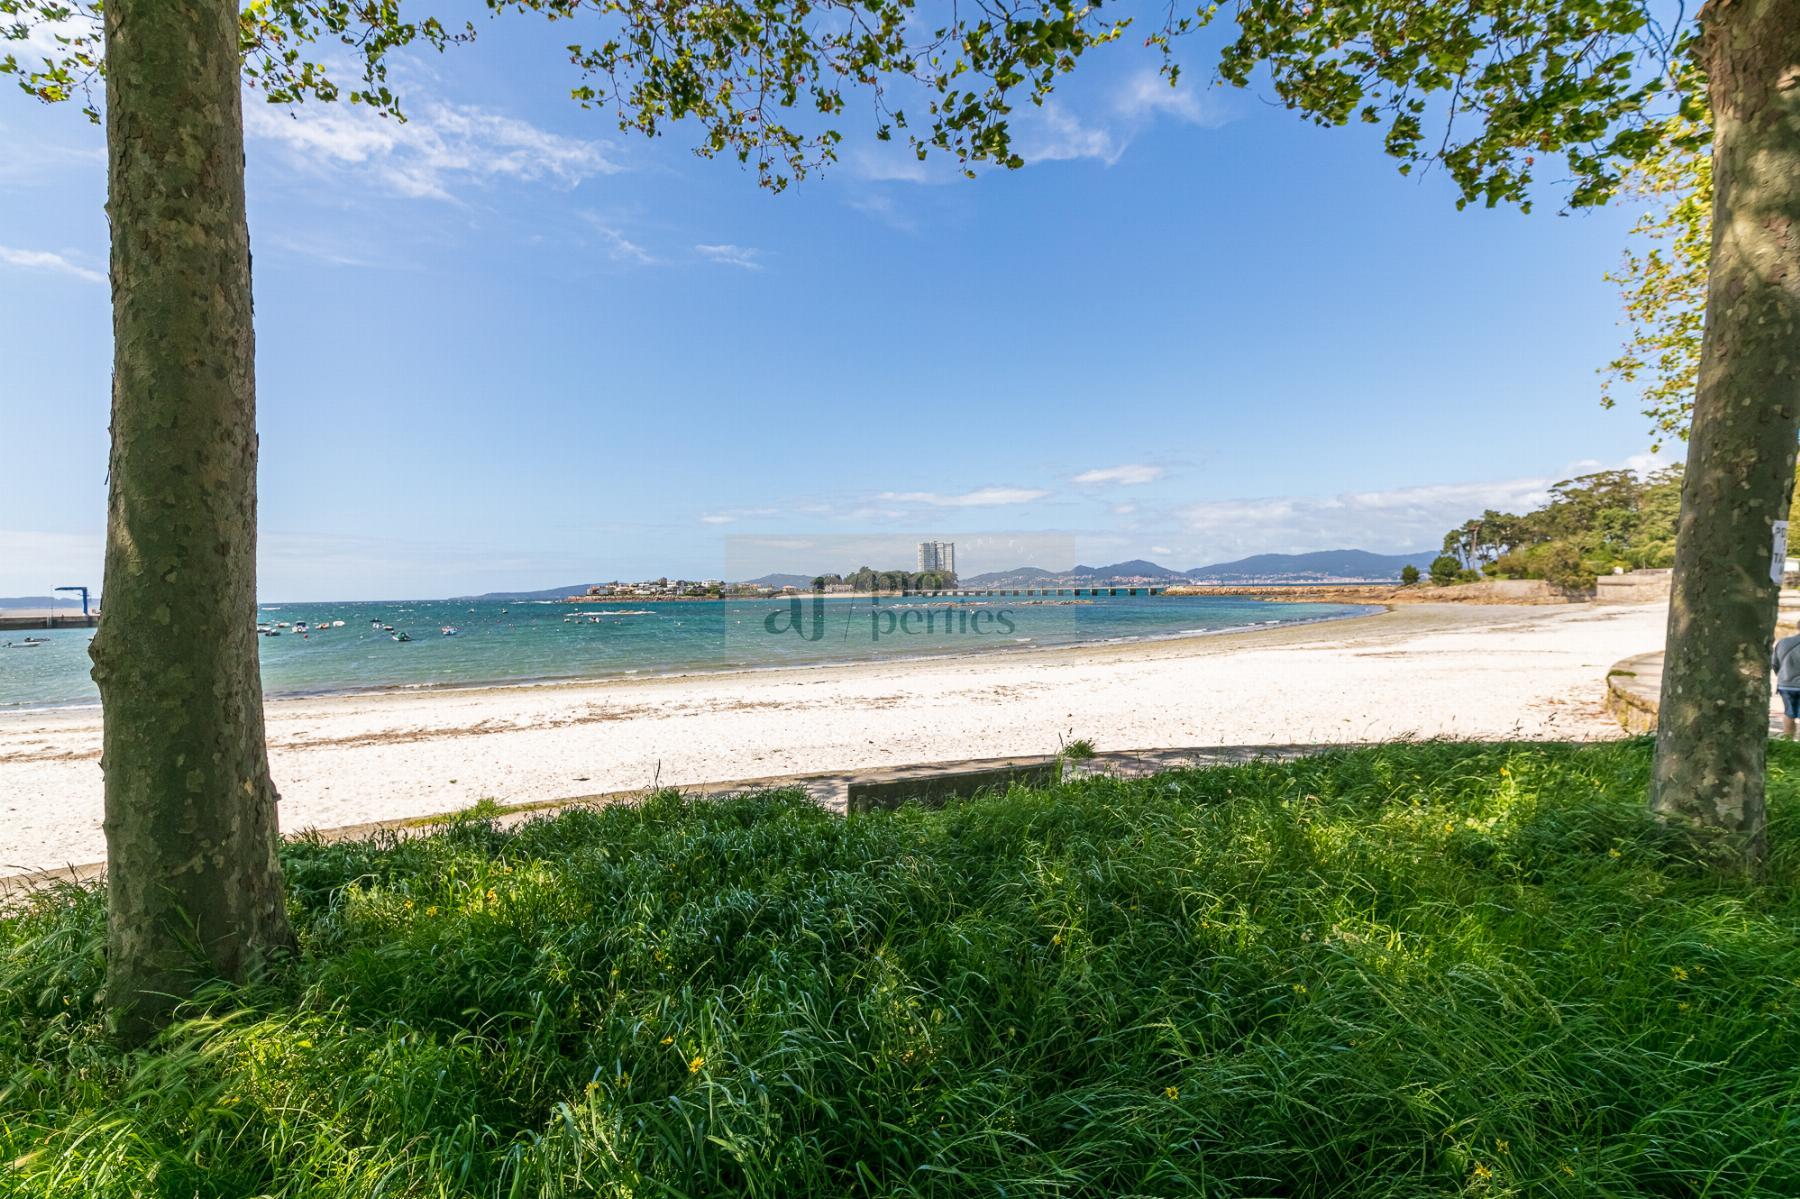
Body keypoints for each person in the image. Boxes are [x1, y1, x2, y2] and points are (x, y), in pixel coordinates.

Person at [1773, 621, 1800, 739]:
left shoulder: (1783, 642)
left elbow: (1775, 664)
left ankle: (1788, 742)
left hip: (1785, 684)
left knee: (1789, 713)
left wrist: (1783, 676)